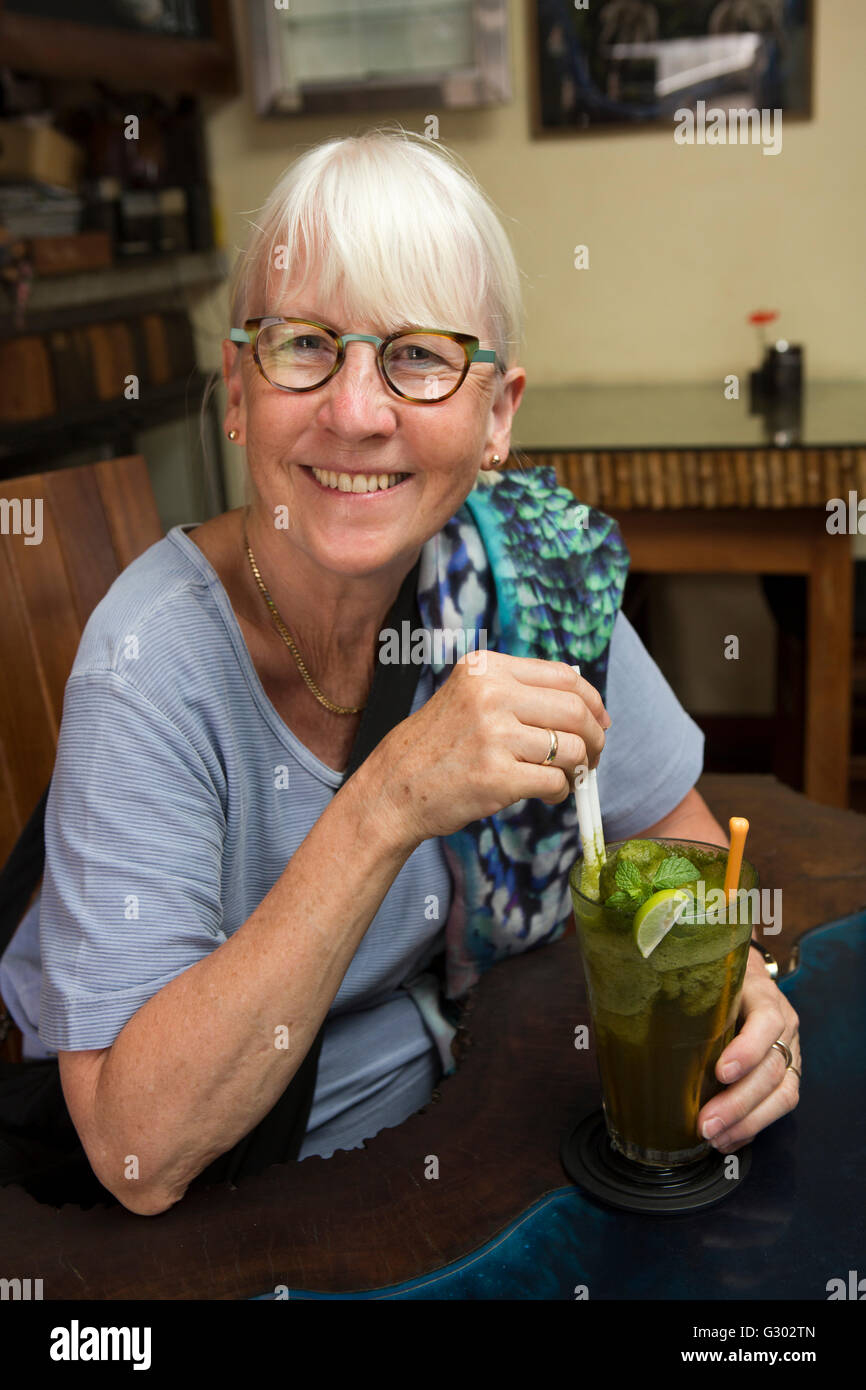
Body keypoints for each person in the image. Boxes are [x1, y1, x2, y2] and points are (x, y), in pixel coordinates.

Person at [0, 126, 799, 1217]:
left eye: (418, 356)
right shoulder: (147, 662)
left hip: (477, 1125)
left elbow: (678, 839)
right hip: (250, 1218)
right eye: (302, 345)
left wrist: (739, 990)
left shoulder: (530, 572)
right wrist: (386, 801)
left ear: (496, 416)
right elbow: (139, 1155)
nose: (356, 411)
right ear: (237, 389)